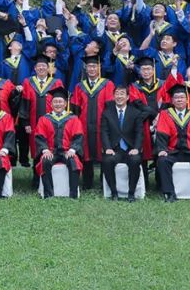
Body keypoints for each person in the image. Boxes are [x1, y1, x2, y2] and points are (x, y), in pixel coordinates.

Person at [154, 84, 190, 203]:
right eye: (176, 97)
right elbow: (162, 132)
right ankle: (169, 193)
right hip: (172, 151)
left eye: (182, 97)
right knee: (162, 161)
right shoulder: (165, 114)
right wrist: (162, 149)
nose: (179, 100)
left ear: (187, 99)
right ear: (172, 100)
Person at [69, 55, 115, 190]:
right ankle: (87, 182)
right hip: (84, 125)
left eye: (94, 66)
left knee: (104, 151)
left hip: (102, 125)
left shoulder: (107, 84)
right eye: (89, 66)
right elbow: (75, 108)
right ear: (86, 68)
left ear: (99, 67)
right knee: (85, 152)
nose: (92, 69)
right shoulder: (79, 86)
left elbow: (110, 106)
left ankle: (104, 181)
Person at [33, 87, 83, 199]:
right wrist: (45, 150)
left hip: (67, 151)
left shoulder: (73, 119)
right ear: (51, 104)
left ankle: (73, 194)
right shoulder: (44, 119)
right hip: (51, 151)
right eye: (55, 102)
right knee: (45, 161)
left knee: (74, 161)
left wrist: (72, 149)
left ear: (65, 104)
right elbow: (40, 136)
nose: (58, 104)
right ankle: (48, 194)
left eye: (60, 102)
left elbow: (78, 136)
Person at [100, 84, 145, 202]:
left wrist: (136, 148)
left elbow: (139, 133)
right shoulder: (107, 113)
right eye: (117, 94)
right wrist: (107, 148)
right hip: (114, 149)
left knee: (135, 161)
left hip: (130, 149)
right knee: (107, 161)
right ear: (113, 96)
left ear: (128, 97)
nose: (119, 96)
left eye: (122, 94)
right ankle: (114, 192)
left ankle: (131, 193)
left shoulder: (135, 113)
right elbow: (104, 132)